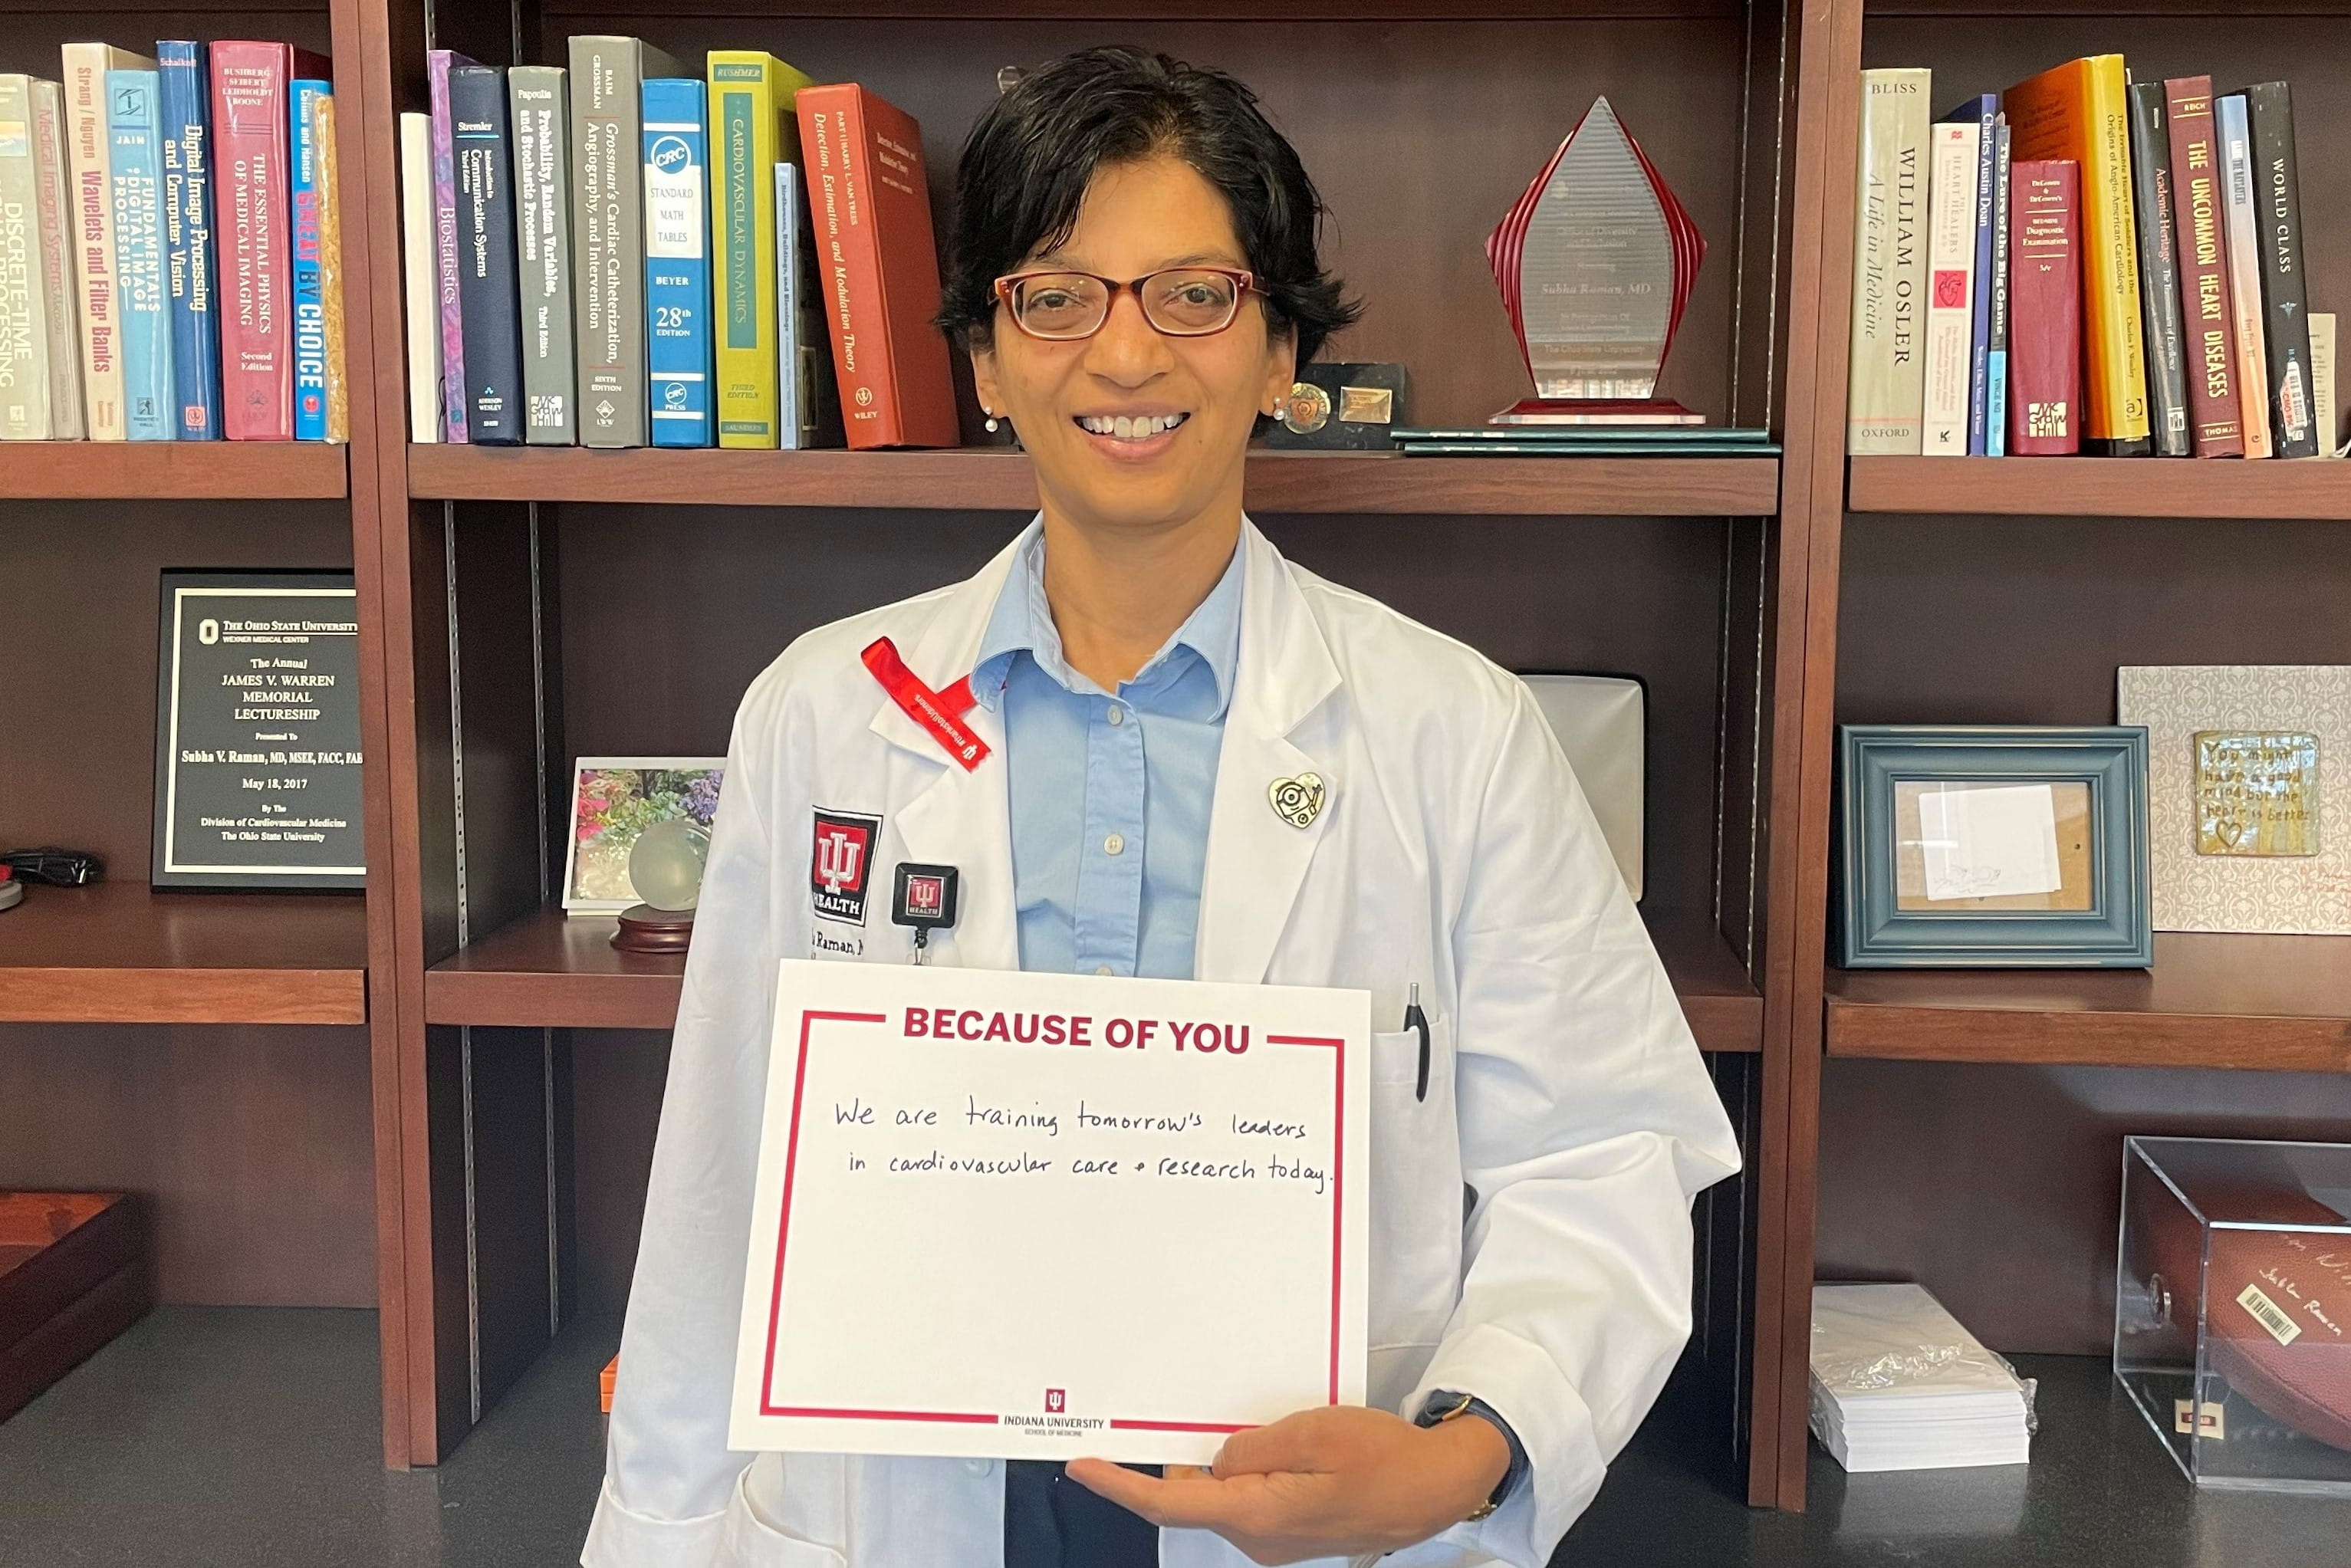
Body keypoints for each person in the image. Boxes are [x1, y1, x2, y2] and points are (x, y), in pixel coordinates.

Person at [587, 46, 1740, 1568]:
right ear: (989, 365)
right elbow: (726, 1179)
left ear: (1278, 352)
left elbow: (1602, 1160)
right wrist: (660, 1531)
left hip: (1306, 1518)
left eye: (1193, 294)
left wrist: (1458, 1463)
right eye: (1057, 297)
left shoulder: (1452, 730)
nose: (1126, 356)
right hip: (912, 1507)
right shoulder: (825, 711)